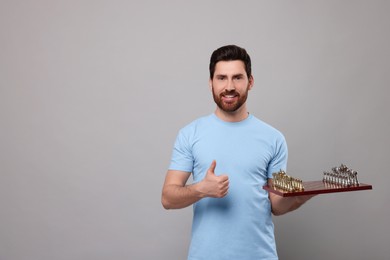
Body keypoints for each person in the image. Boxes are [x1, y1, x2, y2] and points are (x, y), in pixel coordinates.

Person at [161, 45, 314, 260]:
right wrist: (201, 189)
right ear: (210, 83)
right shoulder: (190, 134)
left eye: (237, 78)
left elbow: (276, 205)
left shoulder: (273, 138)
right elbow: (168, 198)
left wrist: (303, 195)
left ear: (250, 82)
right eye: (221, 78)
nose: (229, 86)